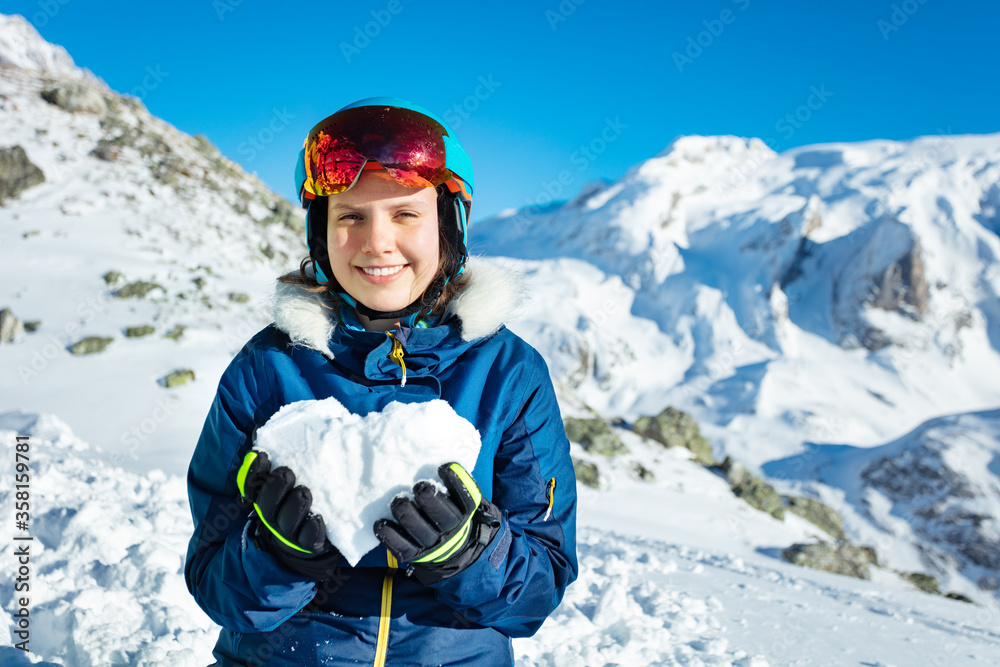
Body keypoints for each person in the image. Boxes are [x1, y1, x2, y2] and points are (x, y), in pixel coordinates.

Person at [184, 97, 578, 666]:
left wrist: (467, 554)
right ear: (321, 232)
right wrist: (276, 556)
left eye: (405, 214)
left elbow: (537, 594)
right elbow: (214, 583)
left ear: (448, 225)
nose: (377, 242)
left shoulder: (507, 374)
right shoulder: (267, 369)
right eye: (350, 216)